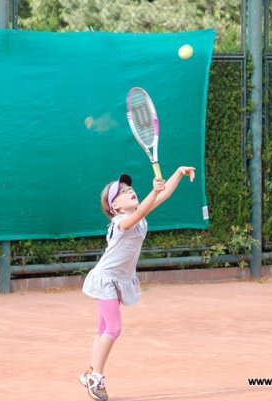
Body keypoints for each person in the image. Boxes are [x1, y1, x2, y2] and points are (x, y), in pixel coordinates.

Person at [79, 166, 196, 401]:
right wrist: (152, 192)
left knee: (103, 330)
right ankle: (97, 377)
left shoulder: (137, 214)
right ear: (115, 207)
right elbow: (141, 212)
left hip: (119, 279)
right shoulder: (121, 222)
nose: (130, 191)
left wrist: (178, 173)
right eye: (123, 191)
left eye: (130, 188)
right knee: (113, 329)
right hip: (106, 279)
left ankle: (91, 371)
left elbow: (161, 197)